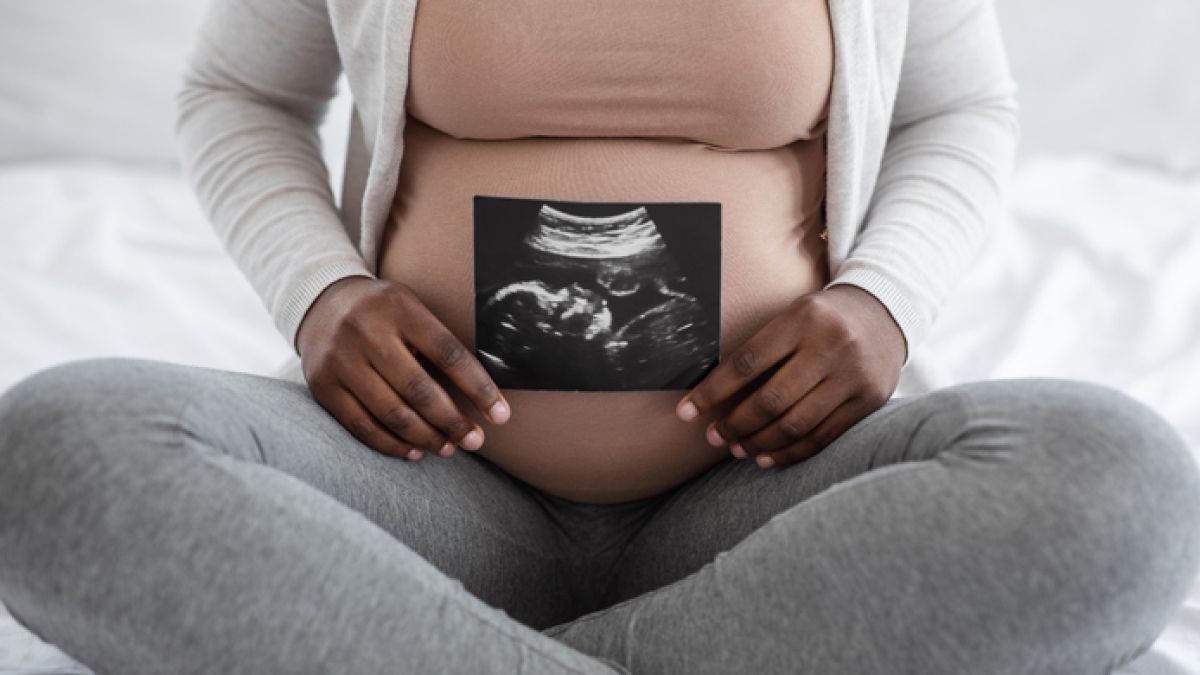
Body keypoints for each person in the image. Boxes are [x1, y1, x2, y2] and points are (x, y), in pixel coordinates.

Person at [1, 0, 1198, 673]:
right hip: (418, 490)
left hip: (771, 500)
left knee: (1118, 483)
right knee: (58, 450)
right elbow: (238, 95)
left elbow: (962, 107)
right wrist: (319, 296)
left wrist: (885, 299)